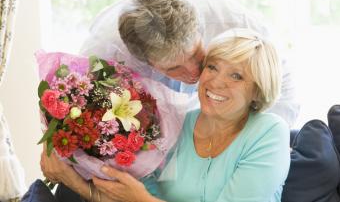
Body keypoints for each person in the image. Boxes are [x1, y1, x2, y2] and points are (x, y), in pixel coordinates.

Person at [41, 28, 290, 202]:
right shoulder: (176, 124)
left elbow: (138, 198)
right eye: (212, 67)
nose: (216, 82)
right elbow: (132, 194)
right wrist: (73, 179)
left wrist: (141, 200)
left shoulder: (268, 132)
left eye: (236, 76)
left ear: (258, 90)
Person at [80, 0, 299, 126]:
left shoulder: (225, 16)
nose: (195, 73)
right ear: (147, 62)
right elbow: (80, 112)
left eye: (195, 54)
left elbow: (280, 77)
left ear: (200, 30)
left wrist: (267, 135)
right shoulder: (104, 54)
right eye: (173, 68)